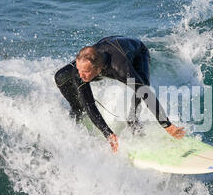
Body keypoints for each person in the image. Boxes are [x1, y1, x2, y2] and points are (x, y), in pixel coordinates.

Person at [54, 36, 185, 152]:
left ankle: (132, 119)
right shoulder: (81, 70)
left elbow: (145, 93)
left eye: (85, 72)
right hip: (106, 46)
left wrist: (167, 125)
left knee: (142, 85)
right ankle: (76, 109)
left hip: (137, 52)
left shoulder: (120, 69)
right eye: (78, 69)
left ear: (98, 69)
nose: (80, 75)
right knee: (61, 77)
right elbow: (89, 104)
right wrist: (108, 133)